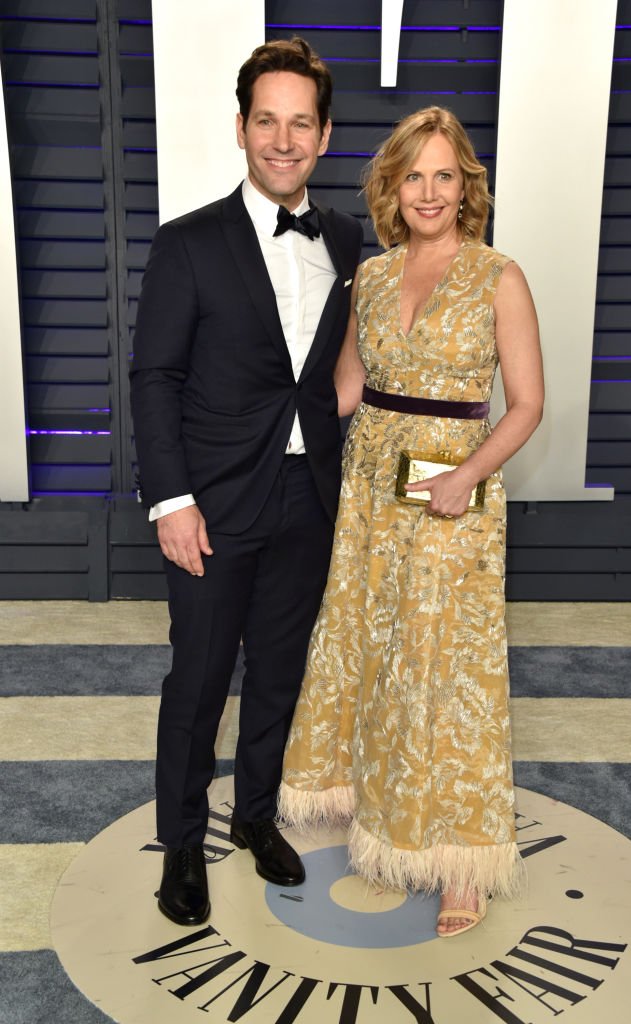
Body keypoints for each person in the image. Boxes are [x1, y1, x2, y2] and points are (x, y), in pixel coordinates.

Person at [279, 106, 543, 937]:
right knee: (370, 642)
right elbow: (346, 387)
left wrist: (466, 476)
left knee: (443, 671)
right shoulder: (373, 275)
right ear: (391, 186)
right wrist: (259, 422)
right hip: (368, 486)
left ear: (467, 185)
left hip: (447, 489)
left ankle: (456, 861)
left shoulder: (499, 276)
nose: (428, 192)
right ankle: (376, 805)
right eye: (412, 176)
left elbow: (528, 404)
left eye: (444, 175)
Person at [130, 37, 363, 926]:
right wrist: (172, 500)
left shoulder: (346, 240)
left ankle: (254, 818)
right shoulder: (186, 243)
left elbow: (346, 365)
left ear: (324, 136)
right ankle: (182, 844)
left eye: (300, 123)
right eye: (266, 120)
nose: (282, 138)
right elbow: (154, 379)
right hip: (212, 504)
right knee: (196, 681)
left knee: (277, 674)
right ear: (240, 128)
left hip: (308, 501)